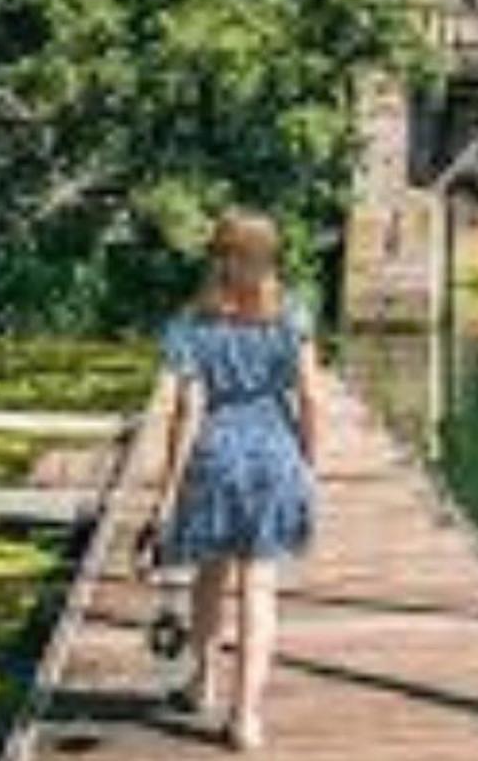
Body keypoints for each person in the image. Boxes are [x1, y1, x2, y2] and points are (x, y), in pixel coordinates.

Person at [143, 209, 320, 751]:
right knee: (259, 589)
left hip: (215, 457)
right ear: (269, 258)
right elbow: (310, 396)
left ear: (218, 257)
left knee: (210, 578)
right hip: (275, 456)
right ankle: (246, 719)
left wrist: (165, 496)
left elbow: (186, 411)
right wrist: (309, 465)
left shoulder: (194, 322)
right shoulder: (292, 315)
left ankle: (202, 684)